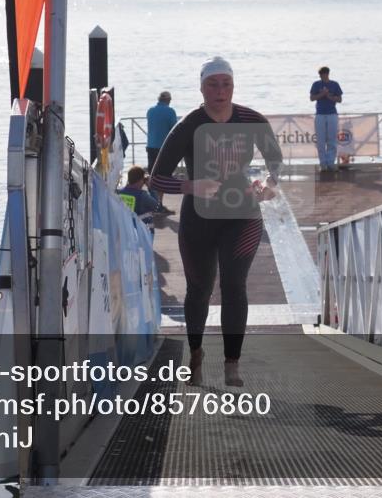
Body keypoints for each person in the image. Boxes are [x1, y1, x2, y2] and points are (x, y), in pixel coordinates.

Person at [150, 57, 282, 387]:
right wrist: (190, 185)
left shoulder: (251, 119)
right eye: (213, 84)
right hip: (199, 218)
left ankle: (232, 363)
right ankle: (195, 353)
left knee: (234, 286)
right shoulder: (188, 126)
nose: (220, 92)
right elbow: (156, 179)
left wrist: (270, 182)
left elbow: (275, 159)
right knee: (199, 289)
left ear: (233, 87)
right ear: (201, 88)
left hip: (242, 213)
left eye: (226, 84)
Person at [146, 90, 178, 210]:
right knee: (162, 176)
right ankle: (159, 205)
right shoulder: (170, 111)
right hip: (163, 148)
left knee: (152, 174)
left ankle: (152, 202)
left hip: (150, 146)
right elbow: (174, 129)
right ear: (168, 100)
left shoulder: (150, 111)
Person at [309, 66, 343, 171]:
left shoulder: (334, 84)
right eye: (321, 75)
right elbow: (312, 98)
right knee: (320, 140)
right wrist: (322, 94)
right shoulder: (316, 84)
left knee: (332, 140)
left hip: (332, 114)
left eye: (324, 74)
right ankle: (323, 163)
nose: (323, 76)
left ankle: (330, 163)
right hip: (320, 114)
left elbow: (340, 99)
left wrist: (330, 97)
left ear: (328, 74)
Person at [116, 165, 161, 234]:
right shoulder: (142, 196)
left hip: (125, 232)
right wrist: (151, 188)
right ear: (140, 180)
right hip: (143, 234)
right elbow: (157, 207)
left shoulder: (118, 193)